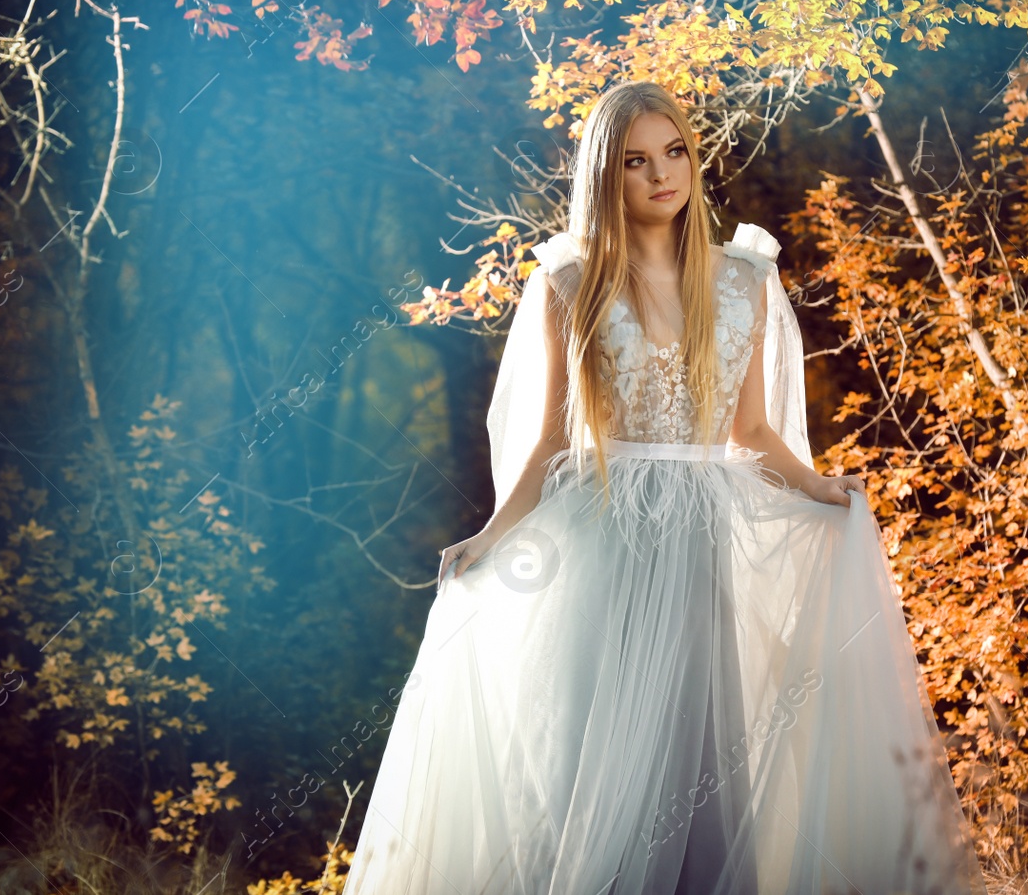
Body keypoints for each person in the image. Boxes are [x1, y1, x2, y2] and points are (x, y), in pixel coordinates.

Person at [341, 81, 987, 895]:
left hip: (699, 536)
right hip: (600, 540)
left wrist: (820, 486)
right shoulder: (570, 284)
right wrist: (489, 537)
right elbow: (547, 442)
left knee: (705, 759)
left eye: (674, 151)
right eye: (636, 161)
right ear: (605, 177)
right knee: (595, 761)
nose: (660, 175)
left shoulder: (742, 279)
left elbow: (748, 432)